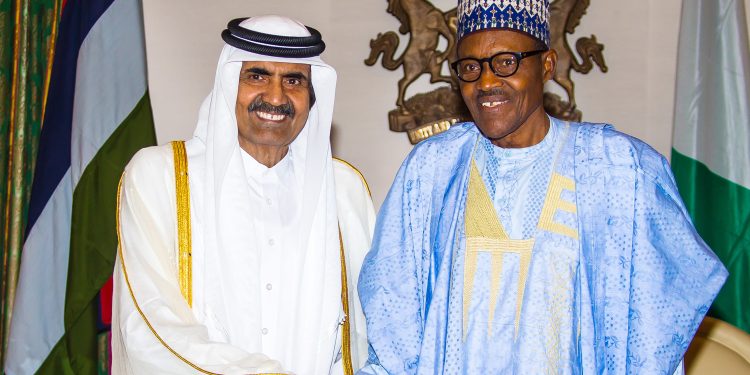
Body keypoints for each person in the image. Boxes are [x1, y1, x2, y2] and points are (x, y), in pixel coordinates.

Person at [357, 1, 727, 374]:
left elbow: (654, 324)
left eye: (506, 62)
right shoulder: (431, 170)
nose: (486, 82)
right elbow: (394, 317)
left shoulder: (618, 170)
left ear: (547, 65)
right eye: (471, 67)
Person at [112, 15, 375, 375]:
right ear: (226, 84)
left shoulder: (344, 189)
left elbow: (365, 331)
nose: (276, 96)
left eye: (294, 80)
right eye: (257, 75)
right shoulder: (160, 176)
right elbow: (149, 321)